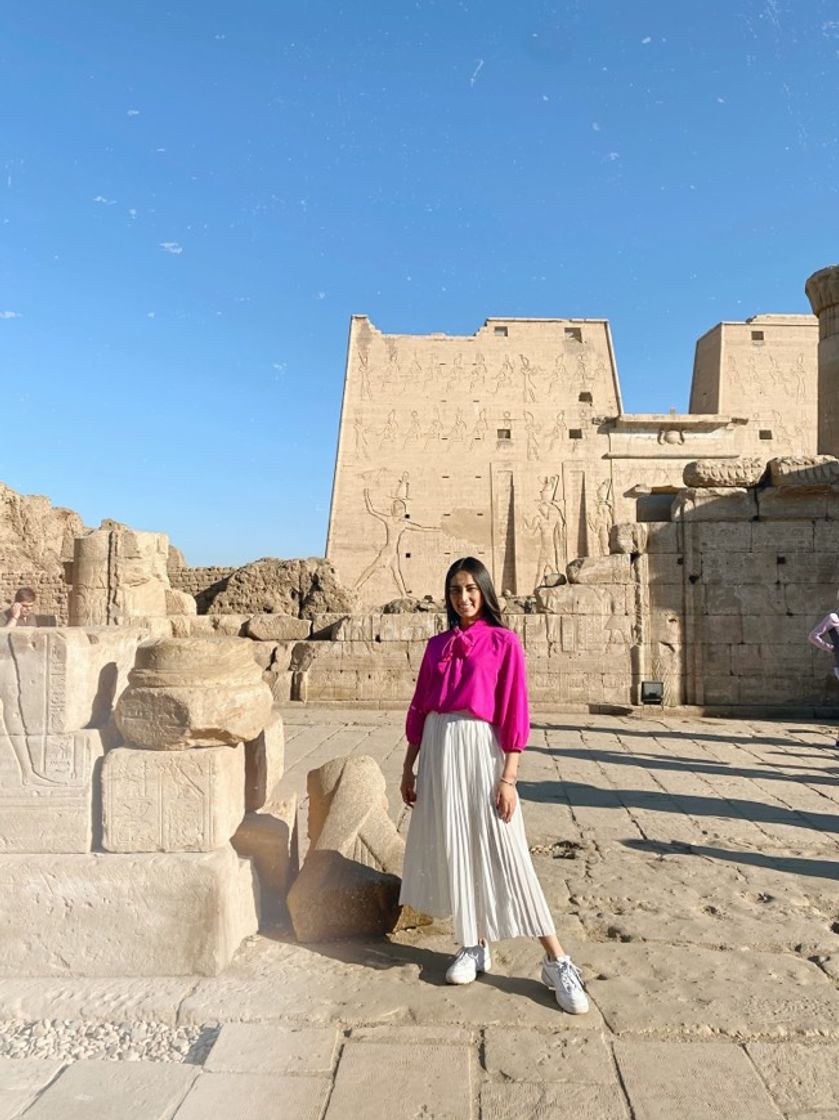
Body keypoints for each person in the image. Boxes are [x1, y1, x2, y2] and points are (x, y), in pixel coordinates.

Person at [398, 556, 589, 1014]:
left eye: (470, 589)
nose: (462, 598)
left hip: (481, 751)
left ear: (483, 591)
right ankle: (473, 943)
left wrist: (509, 777)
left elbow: (513, 711)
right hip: (440, 749)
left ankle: (556, 959)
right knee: (456, 846)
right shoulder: (436, 645)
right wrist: (408, 767)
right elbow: (419, 708)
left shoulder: (503, 642)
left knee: (507, 851)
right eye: (454, 590)